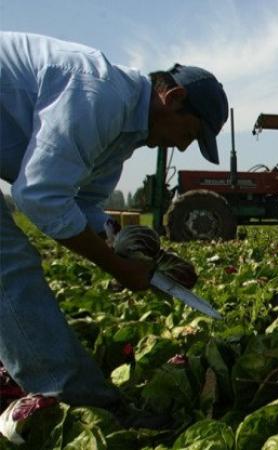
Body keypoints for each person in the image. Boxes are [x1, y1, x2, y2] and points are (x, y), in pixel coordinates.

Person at [0, 32, 228, 416]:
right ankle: (81, 404)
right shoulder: (101, 95)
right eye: (188, 134)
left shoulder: (124, 135)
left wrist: (139, 256)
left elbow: (85, 203)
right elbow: (40, 195)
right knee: (8, 263)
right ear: (173, 99)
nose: (184, 147)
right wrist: (117, 268)